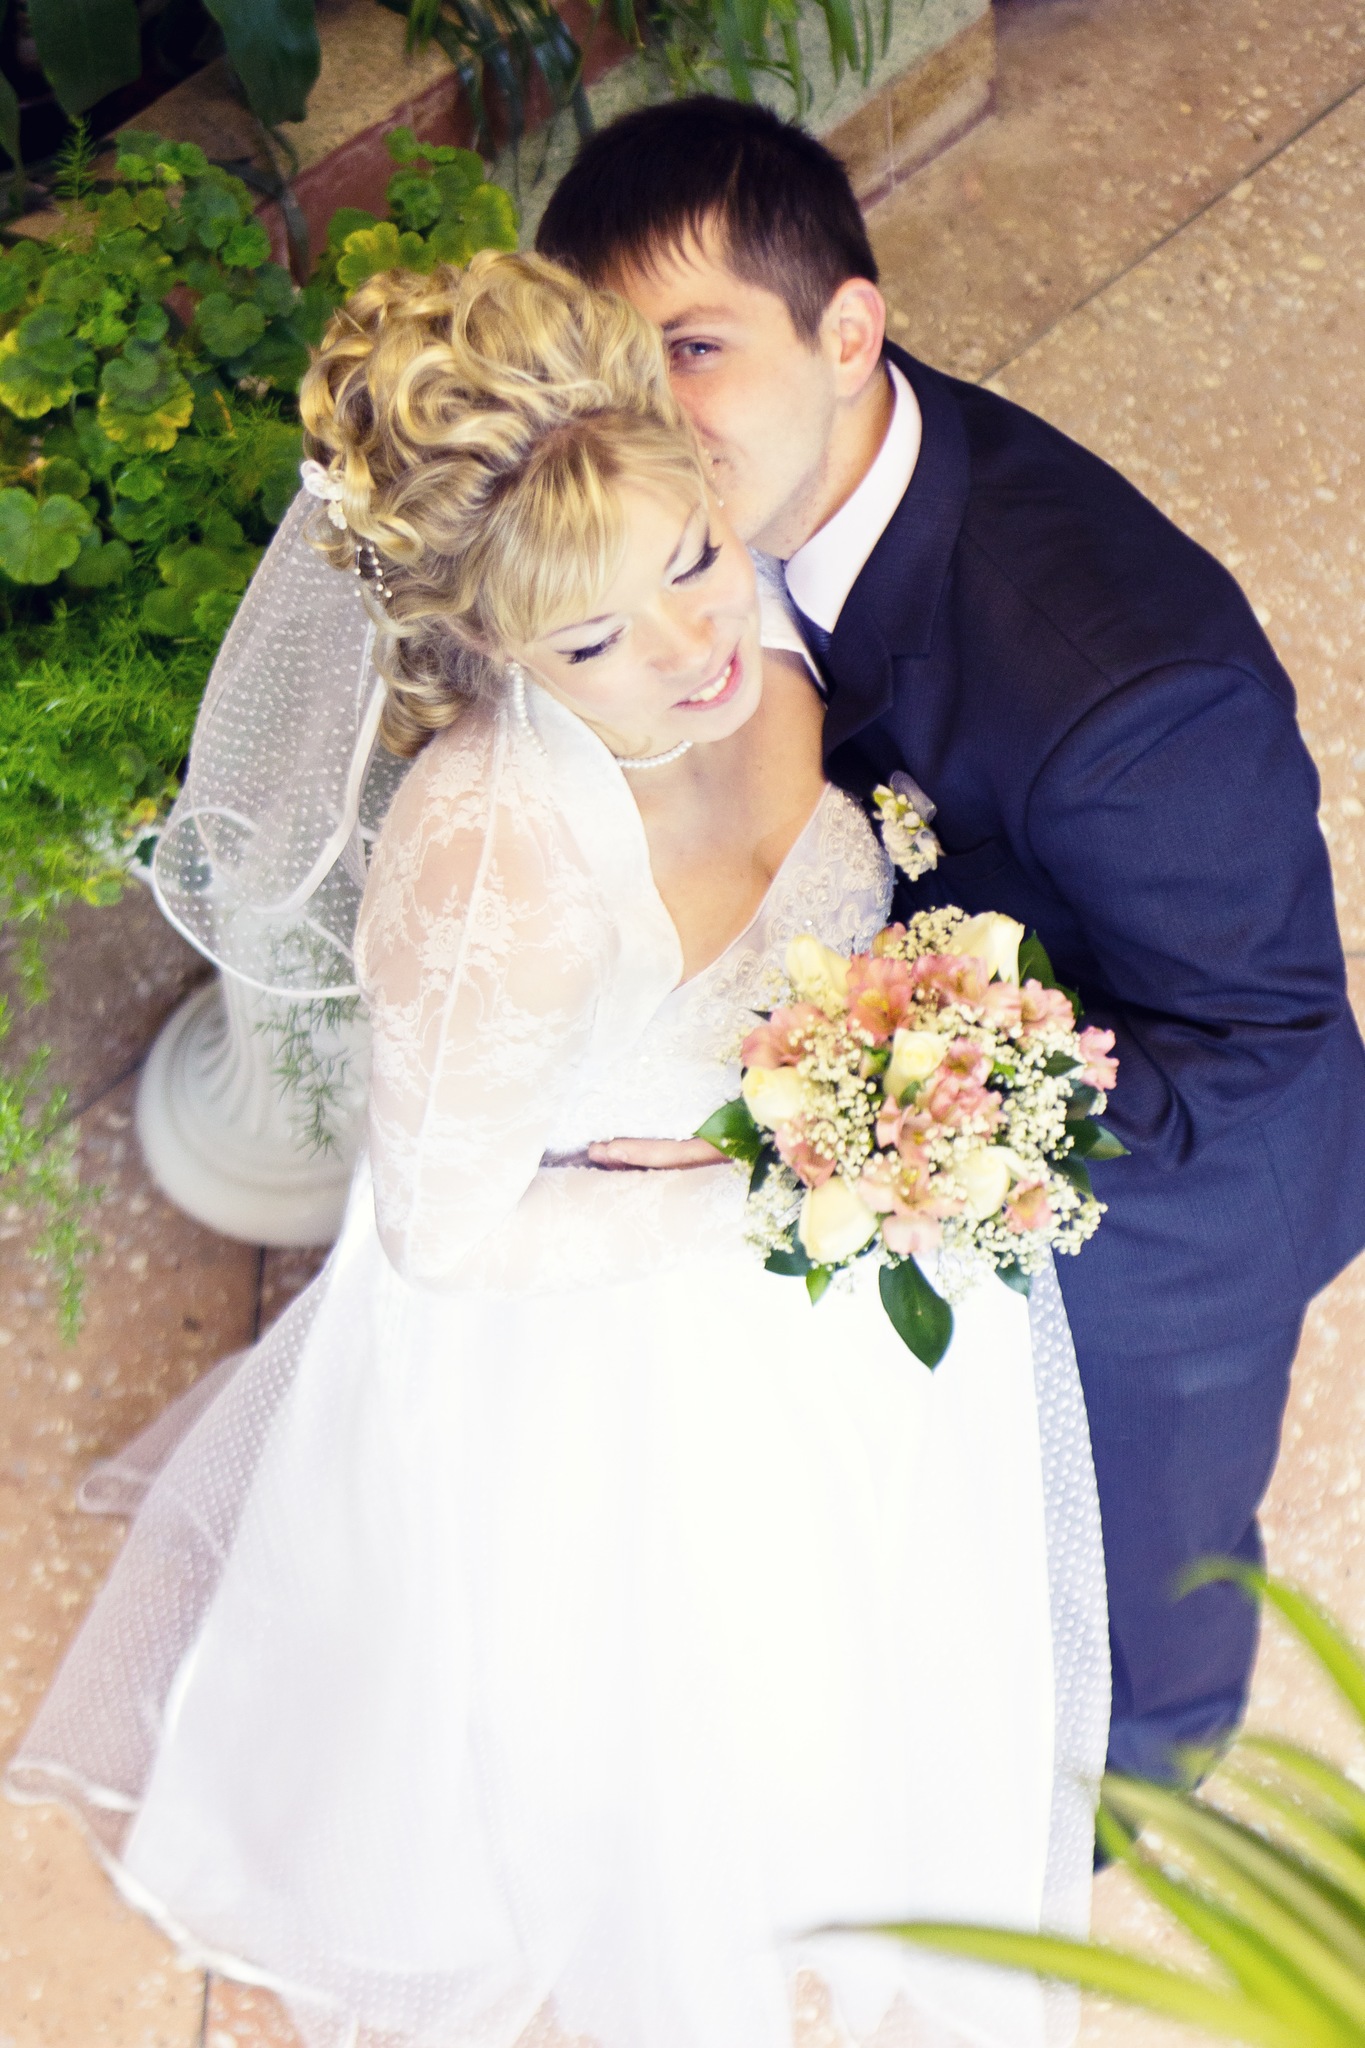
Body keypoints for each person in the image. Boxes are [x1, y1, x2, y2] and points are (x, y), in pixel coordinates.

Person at [7, 252, 1109, 2048]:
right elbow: (445, 1236)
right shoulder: (490, 871)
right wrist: (784, 1184)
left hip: (836, 1252)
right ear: (487, 648)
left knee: (856, 1629)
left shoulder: (744, 616)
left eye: (691, 557)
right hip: (621, 1342)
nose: (689, 649)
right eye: (591, 641)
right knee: (652, 1694)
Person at [535, 95, 1365, 1787]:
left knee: (1137, 1559)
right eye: (612, 363)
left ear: (847, 333)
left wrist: (832, 1127)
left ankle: (1136, 1781)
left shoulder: (1125, 694)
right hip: (944, 1090)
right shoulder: (746, 503)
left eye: (690, 349)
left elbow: (1257, 1051)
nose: (641, 416)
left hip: (1176, 1222)